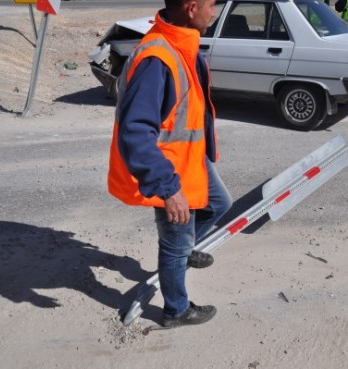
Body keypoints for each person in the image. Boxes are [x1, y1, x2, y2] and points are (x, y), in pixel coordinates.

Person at [107, 0, 232, 329]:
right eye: (210, 5)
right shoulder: (157, 58)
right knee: (174, 243)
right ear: (191, 8)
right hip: (169, 172)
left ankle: (183, 250)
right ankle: (176, 310)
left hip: (189, 163)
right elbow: (135, 132)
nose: (215, 12)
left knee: (219, 203)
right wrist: (167, 188)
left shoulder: (181, 43)